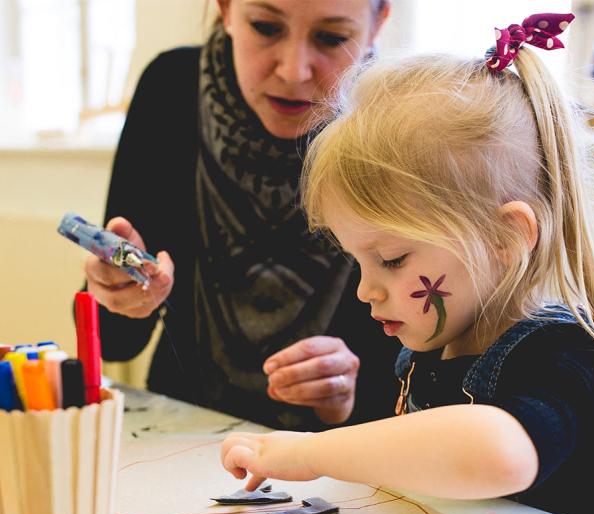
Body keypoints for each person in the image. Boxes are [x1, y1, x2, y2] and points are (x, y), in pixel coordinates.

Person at [221, 12, 594, 514]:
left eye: (393, 260)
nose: (365, 290)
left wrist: (313, 453)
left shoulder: (562, 355)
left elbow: (498, 451)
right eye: (358, 261)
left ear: (505, 237)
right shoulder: (433, 347)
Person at [84, 0, 401, 430]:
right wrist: (117, 293)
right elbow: (117, 342)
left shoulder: (399, 127)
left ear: (376, 25)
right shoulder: (170, 88)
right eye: (266, 27)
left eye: (331, 38)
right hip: (184, 432)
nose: (294, 71)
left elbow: (415, 391)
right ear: (226, 9)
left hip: (333, 460)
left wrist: (347, 397)